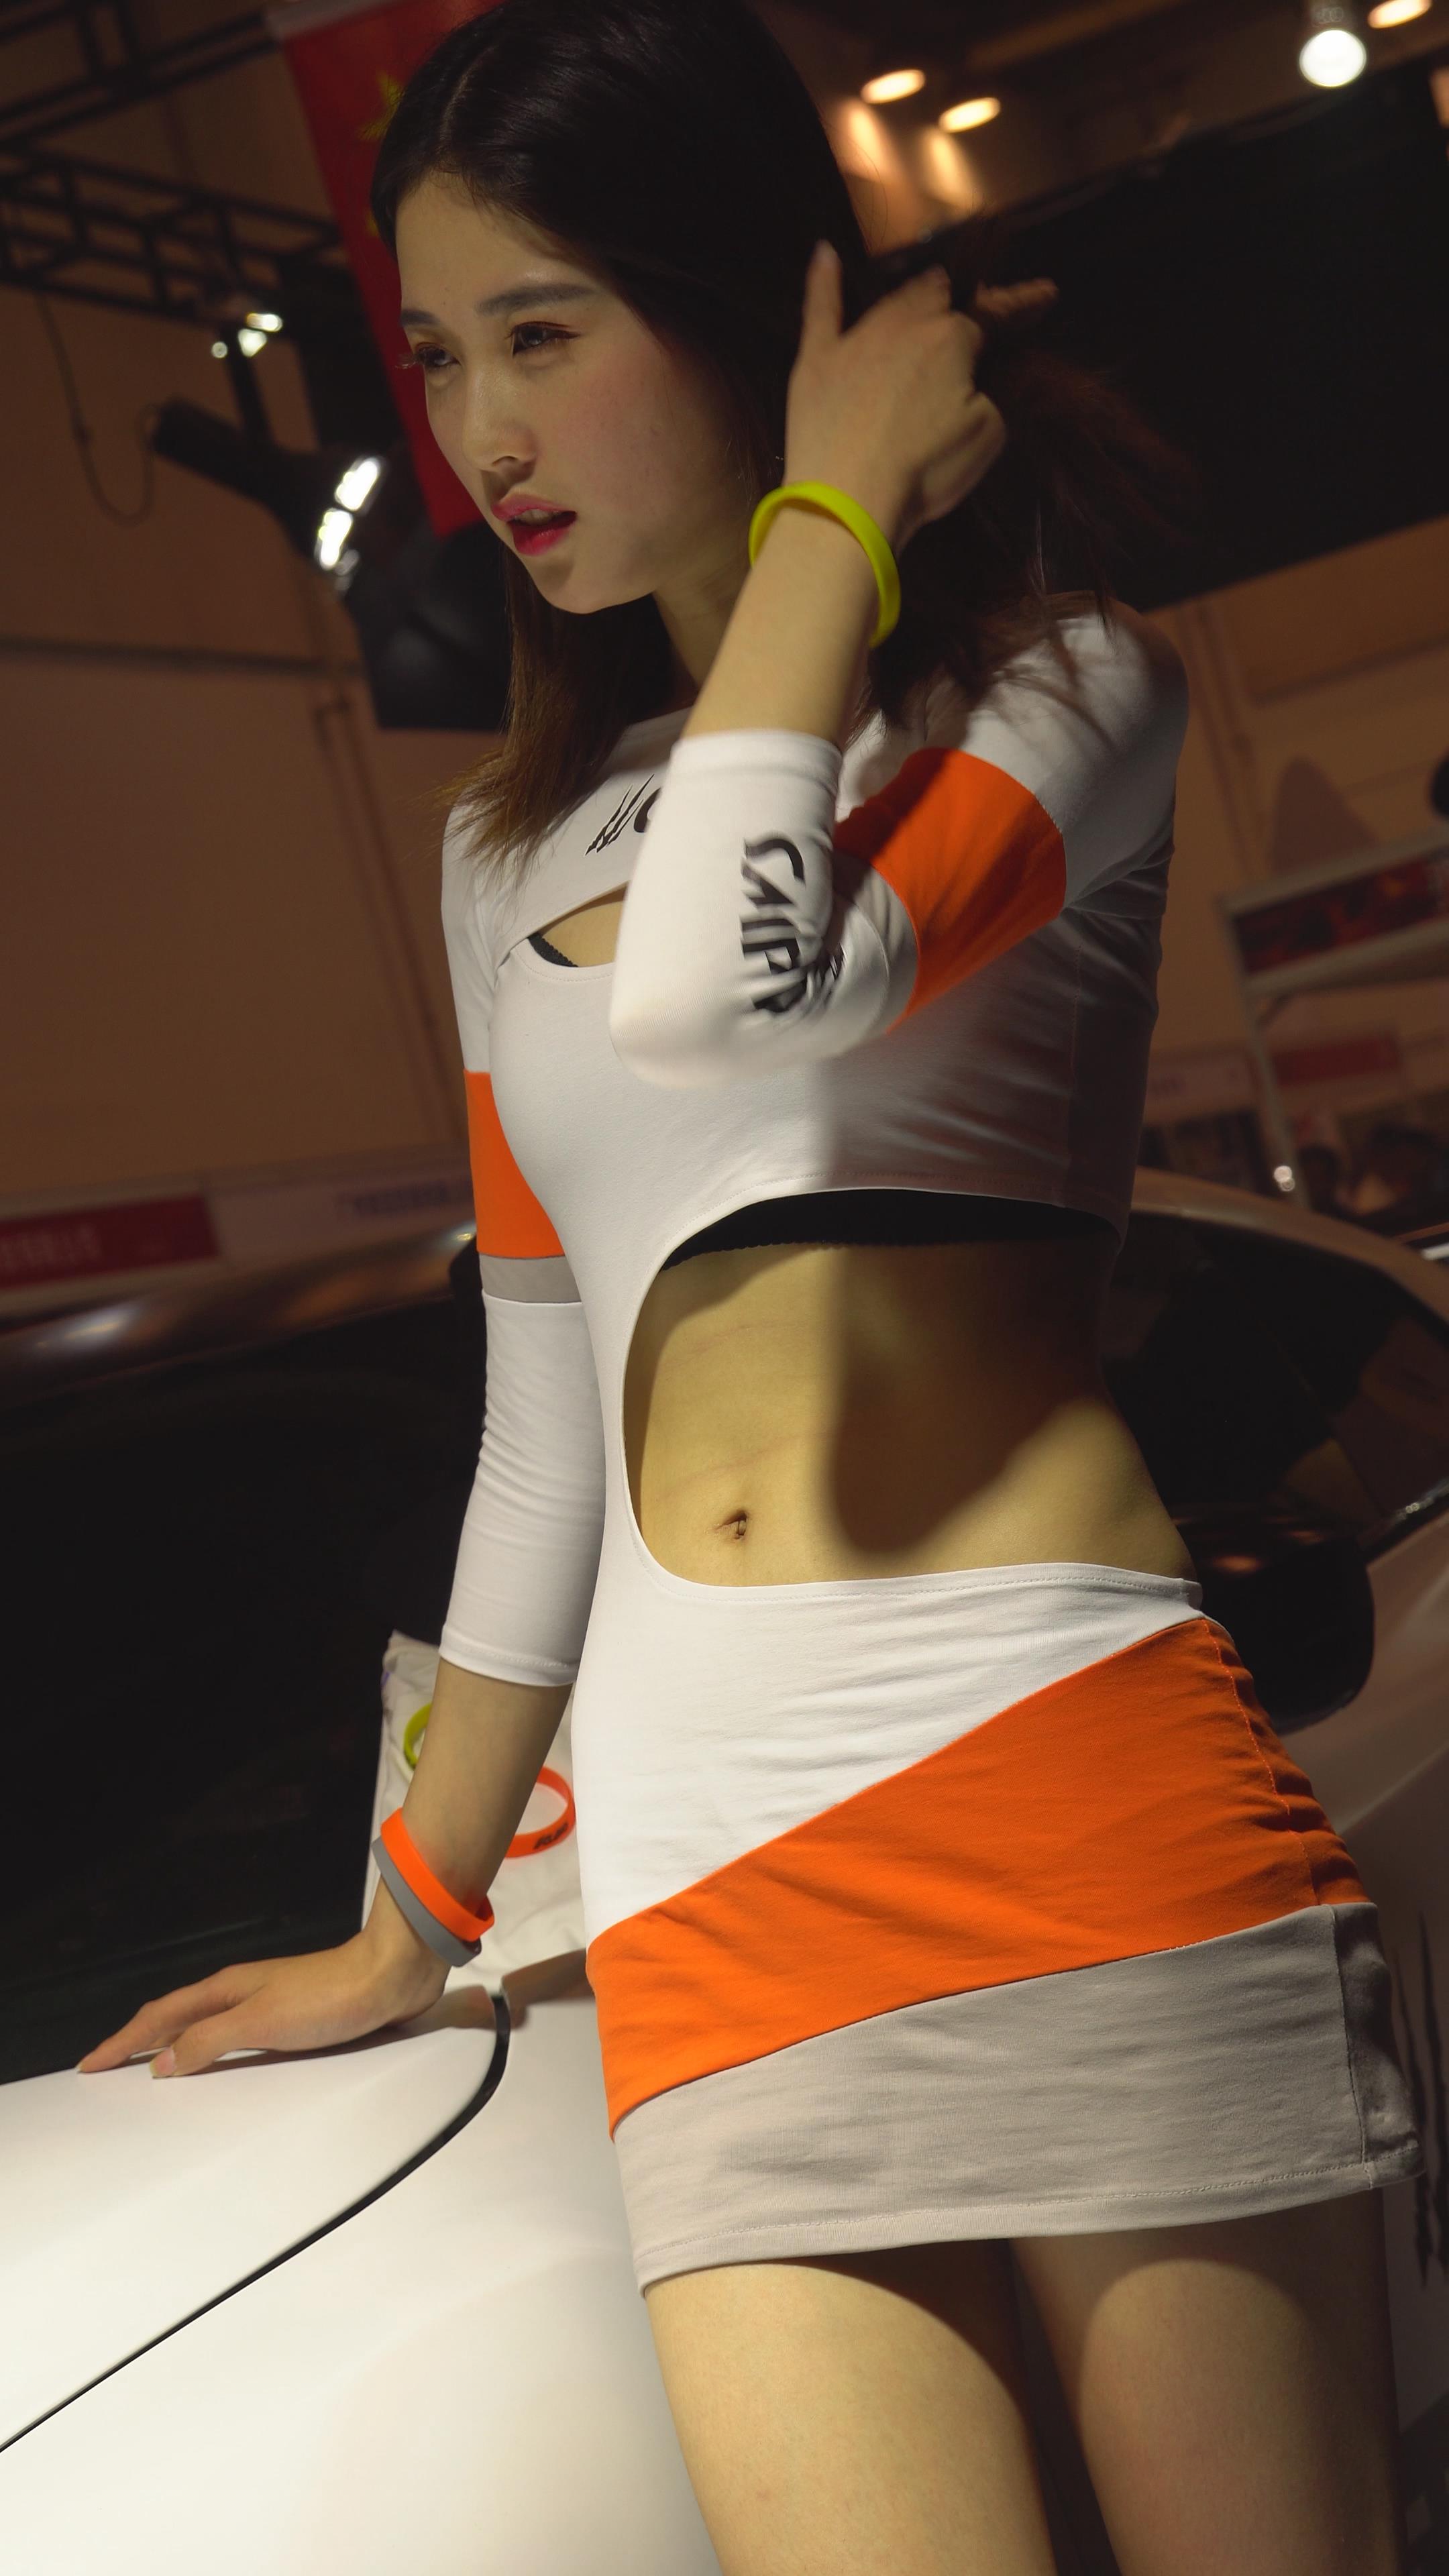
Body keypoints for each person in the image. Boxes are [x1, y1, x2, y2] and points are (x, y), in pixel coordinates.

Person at [80, 5, 1421, 2567]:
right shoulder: (505, 855)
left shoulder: (1064, 701)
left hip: (1070, 1809)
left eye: (544, 332)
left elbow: (729, 981)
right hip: (710, 1894)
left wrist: (829, 518)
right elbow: (544, 1431)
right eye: (437, 356)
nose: (482, 433)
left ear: (752, 313)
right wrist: (410, 1925)